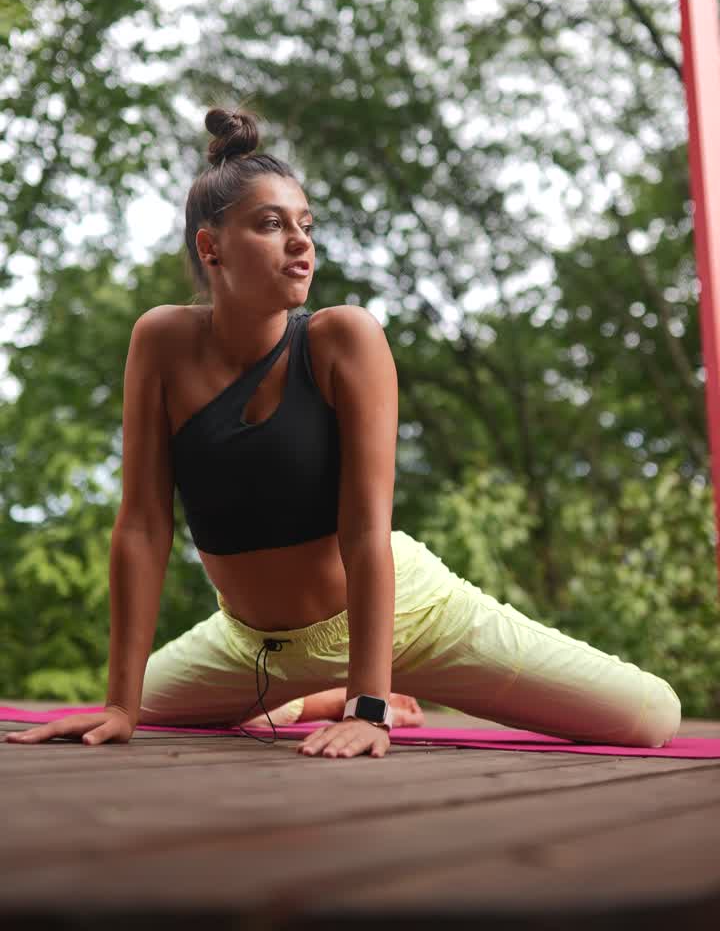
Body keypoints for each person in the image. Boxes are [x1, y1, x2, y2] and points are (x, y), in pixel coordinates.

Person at [5, 105, 682, 759]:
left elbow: (365, 530)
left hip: (407, 618)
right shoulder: (161, 342)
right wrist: (120, 707)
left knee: (647, 715)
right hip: (249, 644)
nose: (301, 242)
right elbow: (143, 527)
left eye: (306, 224)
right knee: (137, 700)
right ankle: (306, 697)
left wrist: (369, 706)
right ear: (211, 247)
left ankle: (356, 687)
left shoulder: (343, 339)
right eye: (271, 225)